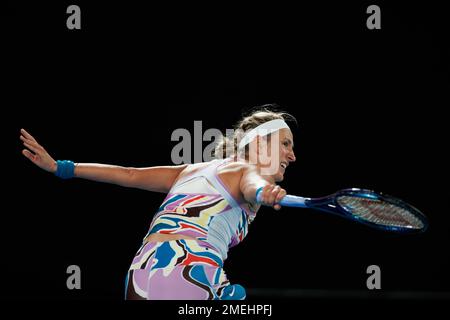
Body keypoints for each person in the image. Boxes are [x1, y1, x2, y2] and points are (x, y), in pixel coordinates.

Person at [20, 105, 297, 300]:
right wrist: (264, 192)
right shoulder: (243, 171)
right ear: (261, 143)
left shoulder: (192, 169)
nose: (292, 155)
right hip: (188, 267)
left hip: (141, 268)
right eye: (286, 144)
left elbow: (128, 175)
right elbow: (253, 186)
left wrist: (63, 167)